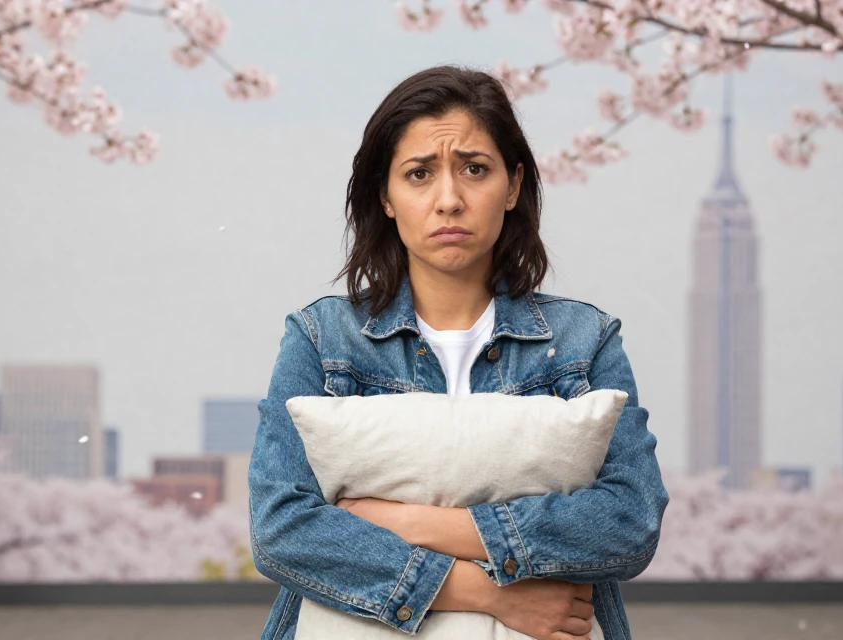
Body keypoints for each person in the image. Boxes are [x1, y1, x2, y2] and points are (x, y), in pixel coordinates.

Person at [247, 65, 668, 640]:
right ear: (386, 197)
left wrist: (415, 523)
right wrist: (486, 592)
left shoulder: (581, 340)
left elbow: (629, 520)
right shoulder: (323, 339)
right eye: (419, 174)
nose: (449, 200)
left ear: (514, 187)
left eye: (474, 169)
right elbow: (281, 529)